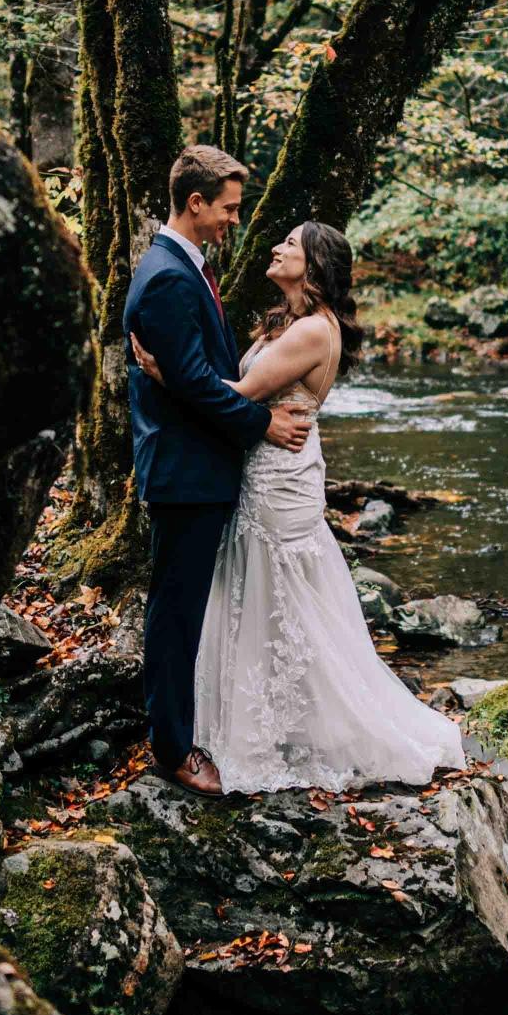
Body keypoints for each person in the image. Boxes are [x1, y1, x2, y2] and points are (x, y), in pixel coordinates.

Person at [131, 212, 464, 795]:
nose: (278, 247)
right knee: (261, 595)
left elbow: (236, 394)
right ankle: (259, 717)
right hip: (266, 468)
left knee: (278, 595)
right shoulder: (294, 322)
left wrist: (163, 374)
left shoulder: (313, 332)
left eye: (291, 244)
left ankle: (292, 726)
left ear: (313, 266)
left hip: (280, 478)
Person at [124, 145, 311, 794]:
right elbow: (202, 385)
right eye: (229, 208)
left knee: (181, 607)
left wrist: (174, 379)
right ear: (196, 203)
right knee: (175, 612)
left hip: (192, 467)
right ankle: (172, 748)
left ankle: (178, 728)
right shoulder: (171, 275)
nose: (237, 218)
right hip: (185, 472)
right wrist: (263, 424)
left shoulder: (180, 266)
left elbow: (192, 375)